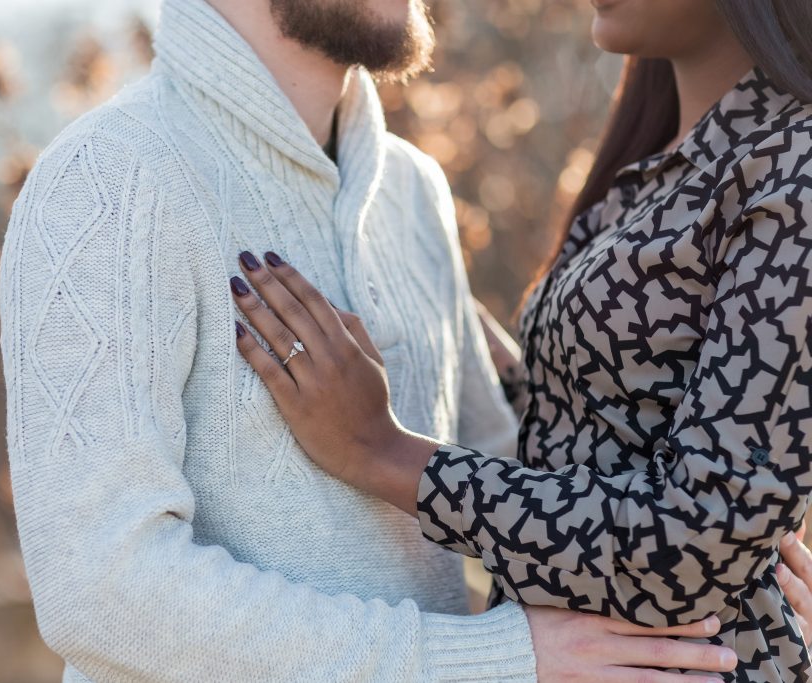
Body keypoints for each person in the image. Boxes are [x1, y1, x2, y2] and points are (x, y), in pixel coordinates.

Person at [0, 0, 745, 680]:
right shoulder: (111, 176)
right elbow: (101, 591)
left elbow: (518, 478)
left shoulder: (413, 190)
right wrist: (495, 659)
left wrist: (733, 563)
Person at [232, 0, 812, 680]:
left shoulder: (794, 172)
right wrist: (440, 320)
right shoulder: (664, 159)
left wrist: (384, 451)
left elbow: (694, 542)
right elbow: (610, 420)